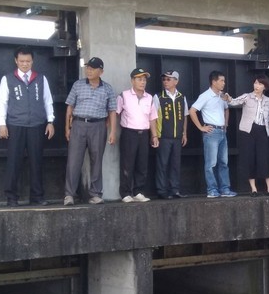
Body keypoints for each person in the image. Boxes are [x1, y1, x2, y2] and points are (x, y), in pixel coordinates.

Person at [0, 46, 55, 207]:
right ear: (16, 61)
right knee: (14, 162)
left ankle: (37, 196)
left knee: (36, 161)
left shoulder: (41, 78)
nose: (25, 64)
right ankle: (11, 197)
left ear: (32, 61)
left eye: (28, 61)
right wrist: (2, 124)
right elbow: (2, 102)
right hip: (15, 125)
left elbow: (47, 101)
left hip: (37, 125)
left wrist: (50, 121)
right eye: (22, 61)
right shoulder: (8, 78)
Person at [63, 57, 117, 206]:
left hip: (98, 126)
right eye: (88, 68)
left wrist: (112, 132)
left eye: (92, 68)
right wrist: (67, 128)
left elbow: (112, 111)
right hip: (79, 125)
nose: (89, 70)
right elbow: (70, 107)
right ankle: (69, 195)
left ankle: (95, 194)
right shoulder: (78, 85)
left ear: (101, 71)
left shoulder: (107, 88)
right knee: (74, 161)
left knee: (97, 161)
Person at [189, 70, 237, 198]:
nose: (223, 83)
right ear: (213, 81)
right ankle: (212, 190)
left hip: (222, 131)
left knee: (223, 162)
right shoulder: (205, 96)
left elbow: (227, 109)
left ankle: (225, 189)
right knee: (211, 163)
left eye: (224, 81)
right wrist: (201, 127)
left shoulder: (223, 96)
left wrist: (225, 124)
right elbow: (192, 111)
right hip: (211, 132)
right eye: (221, 80)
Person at [225, 74, 269, 197]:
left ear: (265, 87)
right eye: (255, 83)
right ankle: (253, 189)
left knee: (264, 158)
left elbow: (268, 116)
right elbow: (234, 102)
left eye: (260, 84)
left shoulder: (267, 100)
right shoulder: (247, 97)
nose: (257, 85)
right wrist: (228, 98)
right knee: (249, 158)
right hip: (248, 130)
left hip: (262, 129)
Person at [117, 67, 159, 203]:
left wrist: (154, 136)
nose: (143, 82)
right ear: (132, 81)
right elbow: (115, 114)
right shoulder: (123, 96)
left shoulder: (149, 98)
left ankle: (138, 191)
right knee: (127, 164)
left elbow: (152, 118)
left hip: (144, 134)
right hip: (129, 133)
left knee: (142, 164)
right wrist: (112, 132)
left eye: (144, 80)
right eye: (139, 79)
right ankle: (125, 193)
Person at [154, 70, 189, 199]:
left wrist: (184, 133)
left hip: (177, 136)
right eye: (164, 79)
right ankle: (162, 190)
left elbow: (185, 116)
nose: (165, 82)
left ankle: (175, 189)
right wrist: (155, 135)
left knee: (175, 164)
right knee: (162, 164)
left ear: (176, 81)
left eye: (169, 79)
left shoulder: (181, 97)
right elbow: (153, 117)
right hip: (163, 136)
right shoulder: (158, 97)